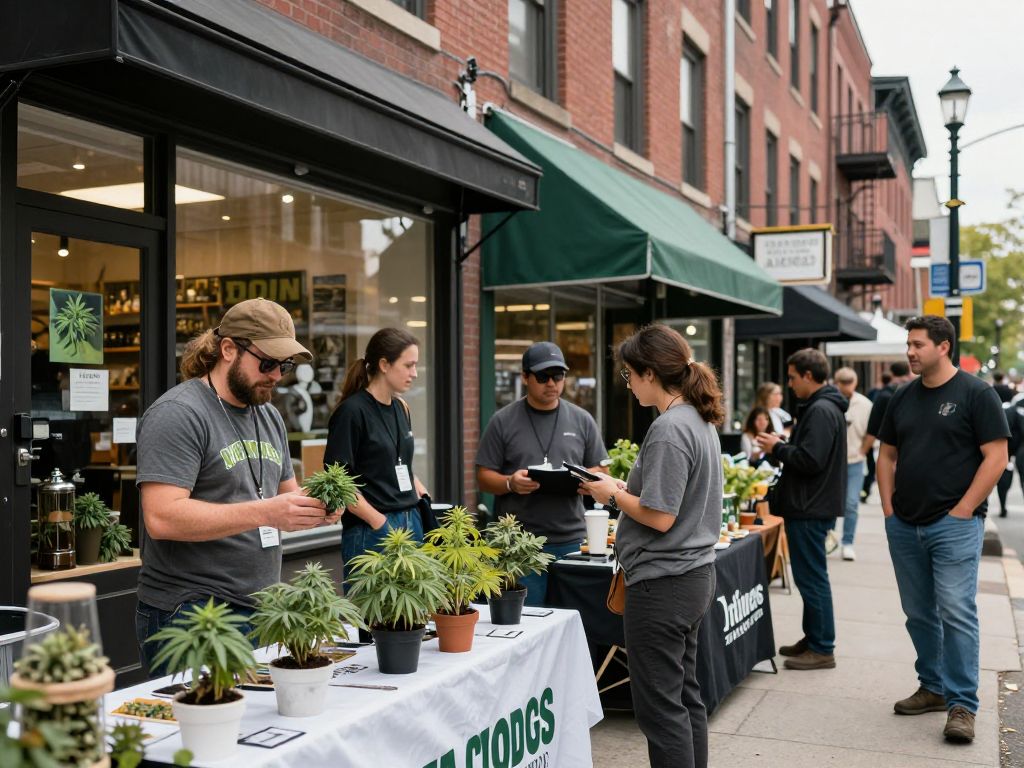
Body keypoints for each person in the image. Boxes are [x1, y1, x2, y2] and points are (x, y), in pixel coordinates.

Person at [135, 298, 338, 674]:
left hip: (261, 607)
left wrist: (318, 506)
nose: (277, 375)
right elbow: (161, 518)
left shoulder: (269, 414)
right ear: (228, 349)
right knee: (202, 731)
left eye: (285, 365)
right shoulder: (178, 413)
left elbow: (285, 496)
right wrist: (267, 512)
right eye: (268, 363)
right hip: (193, 614)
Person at [579, 324, 723, 768]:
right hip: (692, 575)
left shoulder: (669, 427)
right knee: (684, 698)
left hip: (663, 584)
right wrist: (623, 488)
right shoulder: (697, 419)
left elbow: (660, 517)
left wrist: (611, 496)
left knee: (661, 710)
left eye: (628, 375)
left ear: (648, 373)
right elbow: (671, 503)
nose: (628, 384)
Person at [877, 315, 1009, 744]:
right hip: (905, 525)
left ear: (943, 346)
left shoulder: (977, 394)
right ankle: (932, 687)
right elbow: (887, 455)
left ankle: (962, 705)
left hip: (954, 526)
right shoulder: (903, 397)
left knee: (956, 611)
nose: (910, 352)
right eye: (908, 345)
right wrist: (888, 510)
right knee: (918, 613)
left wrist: (964, 509)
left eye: (917, 344)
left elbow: (996, 457)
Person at [476, 341, 608, 606]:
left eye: (558, 376)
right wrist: (511, 483)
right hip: (519, 545)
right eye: (543, 376)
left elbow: (601, 470)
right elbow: (483, 476)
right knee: (525, 625)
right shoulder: (503, 420)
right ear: (525, 377)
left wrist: (584, 479)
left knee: (573, 623)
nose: (552, 383)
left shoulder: (582, 419)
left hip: (571, 541)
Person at [756, 348, 847, 671]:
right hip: (812, 503)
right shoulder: (823, 406)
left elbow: (811, 460)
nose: (790, 384)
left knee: (812, 578)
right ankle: (814, 638)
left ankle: (822, 646)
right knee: (811, 576)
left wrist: (777, 447)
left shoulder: (821, 409)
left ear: (808, 376)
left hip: (810, 505)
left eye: (793, 377)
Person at [325, 328, 429, 577]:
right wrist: (378, 522)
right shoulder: (351, 412)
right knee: (373, 614)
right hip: (371, 529)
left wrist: (421, 493)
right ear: (384, 364)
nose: (414, 373)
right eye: (408, 365)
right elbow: (338, 481)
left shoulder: (401, 408)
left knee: (412, 612)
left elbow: (398, 461)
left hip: (411, 521)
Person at [832, 368, 872, 561]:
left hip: (855, 460)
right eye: (843, 382)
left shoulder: (864, 404)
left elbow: (871, 432)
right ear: (836, 382)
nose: (847, 386)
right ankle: (829, 540)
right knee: (830, 502)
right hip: (832, 462)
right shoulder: (829, 401)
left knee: (851, 503)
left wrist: (862, 451)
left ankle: (848, 542)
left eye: (850, 382)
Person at [861, 361, 913, 500]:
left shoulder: (884, 395)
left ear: (891, 373)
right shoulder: (914, 389)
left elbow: (873, 427)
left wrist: (863, 451)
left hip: (887, 446)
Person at [996, 400, 1023, 516]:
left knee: (1003, 479)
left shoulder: (1006, 410)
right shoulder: (1017, 408)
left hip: (1006, 446)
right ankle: (1002, 508)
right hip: (1018, 447)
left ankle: (1002, 507)